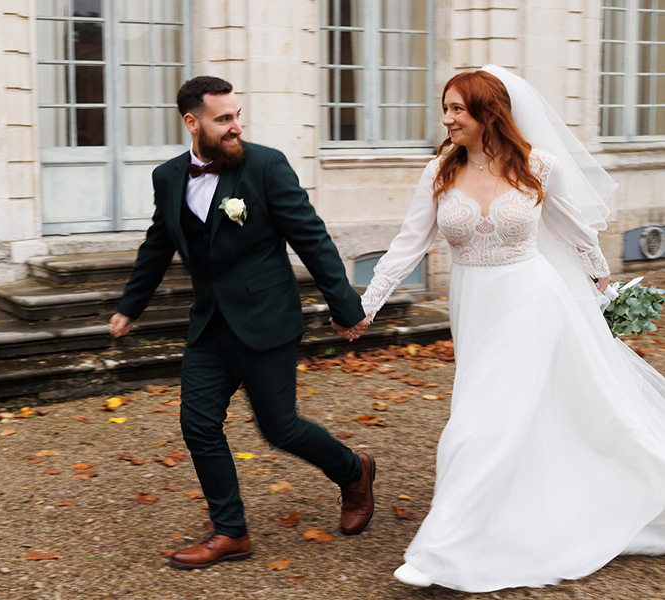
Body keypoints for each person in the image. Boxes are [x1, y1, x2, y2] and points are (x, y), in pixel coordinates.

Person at [359, 65, 665, 592]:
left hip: (531, 298)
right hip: (475, 305)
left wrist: (601, 280)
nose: (448, 118)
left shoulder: (537, 165)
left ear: (488, 113)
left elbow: (571, 225)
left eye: (458, 108)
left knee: (484, 420)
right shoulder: (438, 173)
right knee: (505, 412)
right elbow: (407, 245)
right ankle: (527, 513)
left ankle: (441, 549)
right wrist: (366, 305)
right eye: (447, 107)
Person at [109, 75, 375, 569]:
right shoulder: (168, 177)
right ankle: (231, 530)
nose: (235, 127)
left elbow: (310, 238)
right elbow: (157, 244)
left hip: (266, 318)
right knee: (198, 423)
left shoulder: (266, 166)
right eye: (223, 119)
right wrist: (131, 305)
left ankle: (354, 471)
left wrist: (346, 305)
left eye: (237, 117)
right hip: (210, 324)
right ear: (192, 122)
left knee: (280, 428)